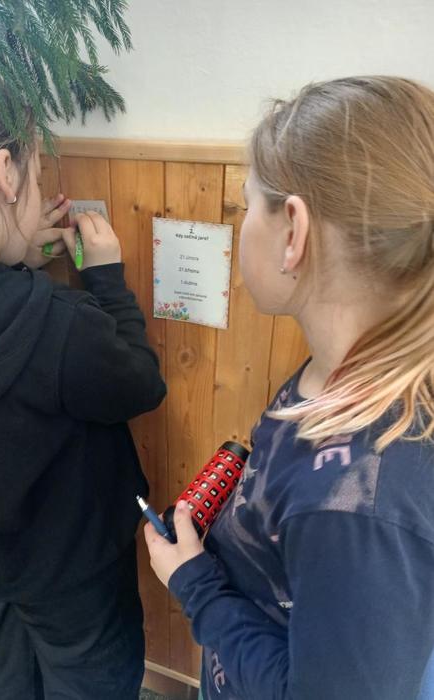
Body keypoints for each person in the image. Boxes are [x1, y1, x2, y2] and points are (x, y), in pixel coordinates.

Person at [145, 76, 434, 700]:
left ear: (293, 232)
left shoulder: (360, 508)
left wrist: (194, 583)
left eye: (246, 204)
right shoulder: (332, 375)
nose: (242, 221)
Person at [0, 65, 166, 700]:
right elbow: (139, 384)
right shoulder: (56, 323)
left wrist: (11, 260)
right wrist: (105, 279)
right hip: (74, 580)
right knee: (91, 681)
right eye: (37, 170)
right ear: (5, 173)